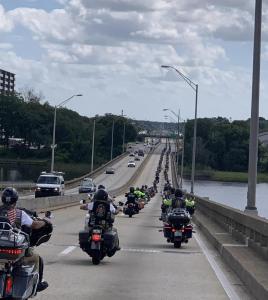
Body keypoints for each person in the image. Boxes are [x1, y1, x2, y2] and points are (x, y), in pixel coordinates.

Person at [0, 187, 51, 292]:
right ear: (15, 200)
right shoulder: (19, 213)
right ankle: (38, 285)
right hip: (13, 251)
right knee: (37, 258)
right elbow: (35, 225)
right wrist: (45, 221)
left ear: (3, 199)